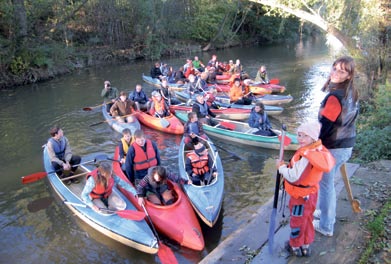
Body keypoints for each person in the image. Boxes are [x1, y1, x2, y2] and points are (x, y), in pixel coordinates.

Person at [314, 56, 359, 237]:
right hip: (347, 146)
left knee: (326, 185)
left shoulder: (334, 96)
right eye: (334, 68)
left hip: (334, 147)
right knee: (326, 183)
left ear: (349, 75)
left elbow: (326, 126)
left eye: (342, 71)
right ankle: (322, 211)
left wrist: (315, 144)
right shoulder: (352, 94)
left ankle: (326, 225)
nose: (335, 73)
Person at [277, 120, 335, 257]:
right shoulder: (317, 149)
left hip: (300, 197)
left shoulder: (306, 156)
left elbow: (294, 176)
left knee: (297, 221)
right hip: (312, 193)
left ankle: (295, 245)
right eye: (299, 135)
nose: (301, 139)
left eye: (305, 136)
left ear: (313, 137)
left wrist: (281, 167)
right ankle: (306, 245)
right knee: (308, 219)